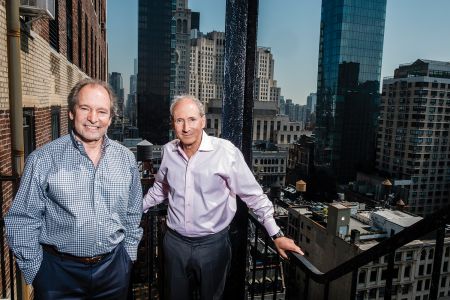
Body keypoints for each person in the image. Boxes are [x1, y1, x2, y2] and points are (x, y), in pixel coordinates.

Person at [143, 95, 303, 300]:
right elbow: (161, 188)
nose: (186, 127)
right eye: (179, 120)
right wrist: (137, 208)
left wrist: (276, 234)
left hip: (213, 246)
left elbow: (253, 195)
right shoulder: (169, 151)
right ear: (173, 123)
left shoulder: (225, 152)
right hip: (175, 244)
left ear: (203, 121)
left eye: (192, 119)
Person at [5, 79, 143, 299]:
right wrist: (37, 271)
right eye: (85, 108)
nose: (93, 118)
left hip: (113, 270)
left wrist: (128, 257)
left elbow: (133, 212)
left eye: (101, 111)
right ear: (71, 112)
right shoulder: (42, 159)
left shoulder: (125, 158)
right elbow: (22, 219)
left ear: (110, 118)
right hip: (57, 274)